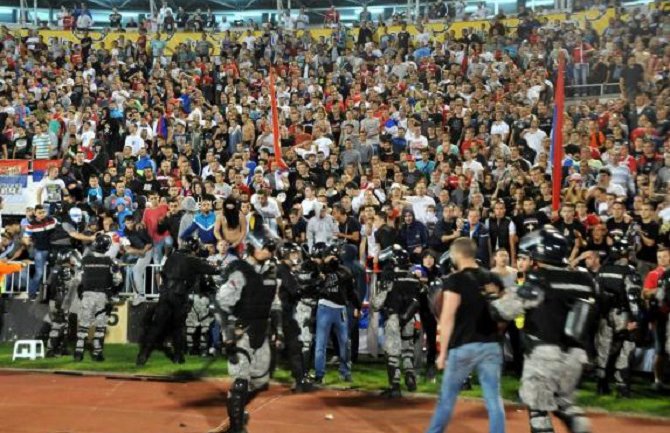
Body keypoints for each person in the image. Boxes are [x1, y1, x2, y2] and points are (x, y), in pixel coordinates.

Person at [491, 228, 598, 433]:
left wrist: (490, 300)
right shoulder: (584, 280)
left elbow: (503, 311)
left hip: (544, 354)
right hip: (575, 355)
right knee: (566, 405)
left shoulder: (539, 279)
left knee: (538, 410)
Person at [425, 237, 505, 433]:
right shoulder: (493, 278)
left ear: (456, 255)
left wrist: (442, 353)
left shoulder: (455, 280)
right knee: (494, 400)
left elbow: (447, 317)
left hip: (463, 346)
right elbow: (504, 315)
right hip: (491, 344)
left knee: (447, 399)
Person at [212, 239, 279, 433]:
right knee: (241, 380)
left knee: (259, 382)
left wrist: (277, 329)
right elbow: (221, 303)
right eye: (265, 247)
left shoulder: (270, 272)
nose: (270, 251)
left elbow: (274, 304)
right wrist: (228, 332)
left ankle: (237, 411)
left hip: (261, 331)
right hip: (241, 331)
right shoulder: (240, 272)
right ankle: (236, 427)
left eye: (271, 248)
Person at [136, 237, 218, 366]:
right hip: (179, 295)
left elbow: (163, 273)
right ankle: (178, 356)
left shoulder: (172, 256)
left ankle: (143, 355)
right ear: (194, 248)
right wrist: (220, 267)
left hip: (165, 294)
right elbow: (212, 270)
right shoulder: (192, 259)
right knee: (178, 326)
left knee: (157, 326)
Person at [372, 245, 421, 398]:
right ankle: (410, 376)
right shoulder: (414, 278)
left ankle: (395, 386)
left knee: (392, 353)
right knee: (407, 350)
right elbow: (418, 299)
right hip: (410, 318)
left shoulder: (390, 278)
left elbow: (376, 304)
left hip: (393, 318)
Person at [594, 238, 642, 397]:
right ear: (625, 254)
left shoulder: (602, 270)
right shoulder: (629, 272)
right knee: (626, 347)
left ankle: (601, 384)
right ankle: (622, 385)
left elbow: (596, 293)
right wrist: (635, 319)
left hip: (604, 315)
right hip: (623, 314)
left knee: (604, 348)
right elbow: (633, 298)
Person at [313, 243, 360, 384]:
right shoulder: (321, 269)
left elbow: (351, 292)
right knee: (320, 344)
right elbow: (315, 279)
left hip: (340, 309)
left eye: (334, 256)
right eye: (330, 256)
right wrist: (324, 264)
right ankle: (319, 375)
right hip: (324, 308)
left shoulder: (345, 271)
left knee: (345, 343)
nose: (332, 258)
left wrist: (358, 306)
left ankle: (345, 372)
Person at [74, 234, 122, 362]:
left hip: (87, 295)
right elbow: (118, 280)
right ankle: (97, 352)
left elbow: (77, 279)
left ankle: (78, 352)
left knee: (84, 324)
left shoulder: (84, 260)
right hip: (102, 296)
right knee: (100, 325)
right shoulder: (111, 262)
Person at [277, 241, 317, 392]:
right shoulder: (283, 270)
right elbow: (295, 291)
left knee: (291, 346)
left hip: (283, 312)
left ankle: (299, 379)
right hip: (281, 313)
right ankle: (299, 379)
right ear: (285, 254)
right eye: (293, 253)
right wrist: (312, 286)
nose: (297, 256)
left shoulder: (284, 269)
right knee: (293, 346)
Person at [44, 249, 82, 357]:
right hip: (59, 301)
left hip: (56, 300)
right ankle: (51, 349)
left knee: (63, 325)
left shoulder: (56, 269)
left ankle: (61, 348)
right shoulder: (65, 270)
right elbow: (70, 284)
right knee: (58, 325)